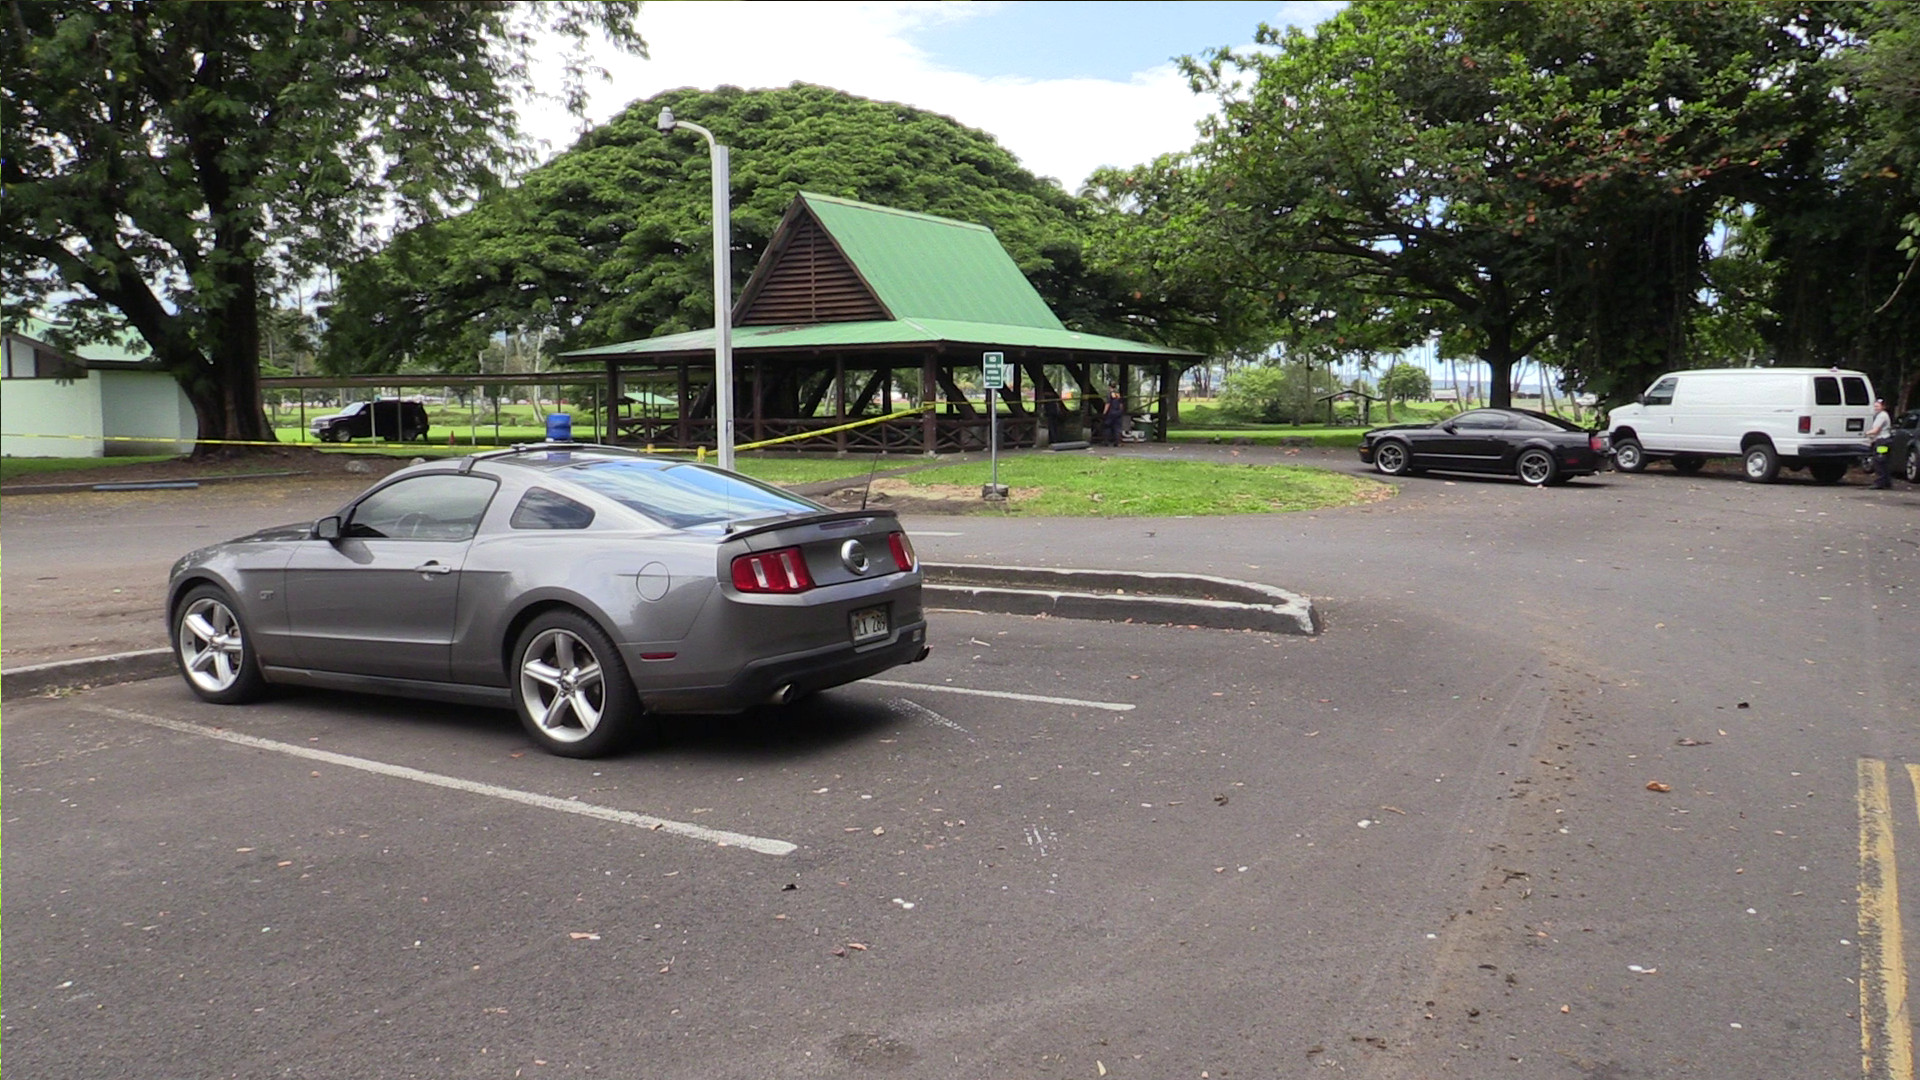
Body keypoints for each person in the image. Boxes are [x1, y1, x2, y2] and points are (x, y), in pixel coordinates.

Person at [1866, 398, 1893, 489]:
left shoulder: (1881, 416)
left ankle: (1880, 482)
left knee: (1879, 461)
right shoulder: (1882, 415)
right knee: (1884, 461)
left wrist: (1867, 433)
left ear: (1883, 407)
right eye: (1875, 406)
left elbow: (1876, 430)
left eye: (1877, 406)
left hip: (1882, 442)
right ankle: (1886, 482)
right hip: (1885, 440)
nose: (1875, 408)